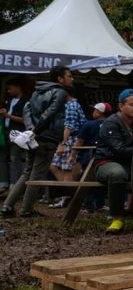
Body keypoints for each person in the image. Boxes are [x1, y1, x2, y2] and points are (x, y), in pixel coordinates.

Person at [1, 66, 72, 218]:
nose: (71, 79)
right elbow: (50, 112)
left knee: (27, 172)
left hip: (33, 137)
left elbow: (27, 110)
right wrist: (36, 131)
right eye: (69, 76)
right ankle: (26, 210)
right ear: (60, 79)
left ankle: (7, 205)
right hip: (47, 137)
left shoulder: (37, 91)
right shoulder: (60, 92)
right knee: (36, 175)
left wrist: (31, 130)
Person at [94, 89, 133, 233]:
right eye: (132, 105)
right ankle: (117, 218)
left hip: (130, 164)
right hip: (106, 163)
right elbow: (119, 150)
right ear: (121, 106)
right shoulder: (111, 123)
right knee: (117, 173)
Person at [70, 102, 111, 212]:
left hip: (89, 157)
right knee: (102, 180)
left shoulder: (89, 124)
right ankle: (100, 204)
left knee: (87, 180)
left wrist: (73, 154)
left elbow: (79, 141)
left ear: (99, 113)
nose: (93, 112)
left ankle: (89, 205)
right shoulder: (112, 124)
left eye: (95, 110)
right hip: (106, 157)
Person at [50, 90, 87, 185]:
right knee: (54, 166)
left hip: (71, 139)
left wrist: (63, 143)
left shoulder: (72, 105)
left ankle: (68, 190)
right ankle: (66, 189)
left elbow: (70, 127)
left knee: (67, 169)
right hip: (67, 138)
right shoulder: (66, 105)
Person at [1, 78, 28, 191]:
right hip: (6, 132)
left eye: (10, 89)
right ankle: (4, 183)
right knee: (4, 158)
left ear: (18, 87)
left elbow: (24, 120)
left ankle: (14, 184)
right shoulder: (9, 101)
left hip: (18, 133)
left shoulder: (25, 102)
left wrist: (7, 116)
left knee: (15, 158)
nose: (9, 91)